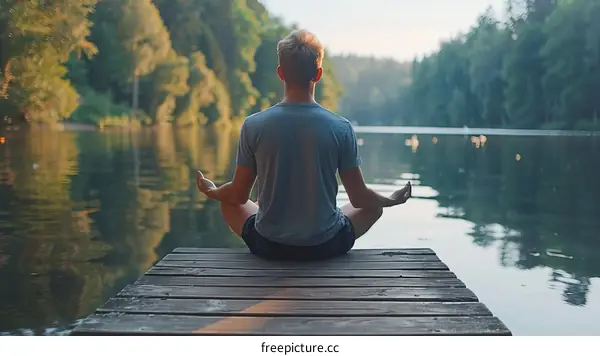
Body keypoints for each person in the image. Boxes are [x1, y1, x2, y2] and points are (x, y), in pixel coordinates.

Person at [196, 29, 411, 261]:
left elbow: (238, 195)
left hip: (268, 245)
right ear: (318, 74)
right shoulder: (341, 127)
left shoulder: (253, 125)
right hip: (326, 246)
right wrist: (390, 200)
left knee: (228, 202)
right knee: (373, 206)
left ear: (281, 73)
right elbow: (359, 199)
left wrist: (213, 190)